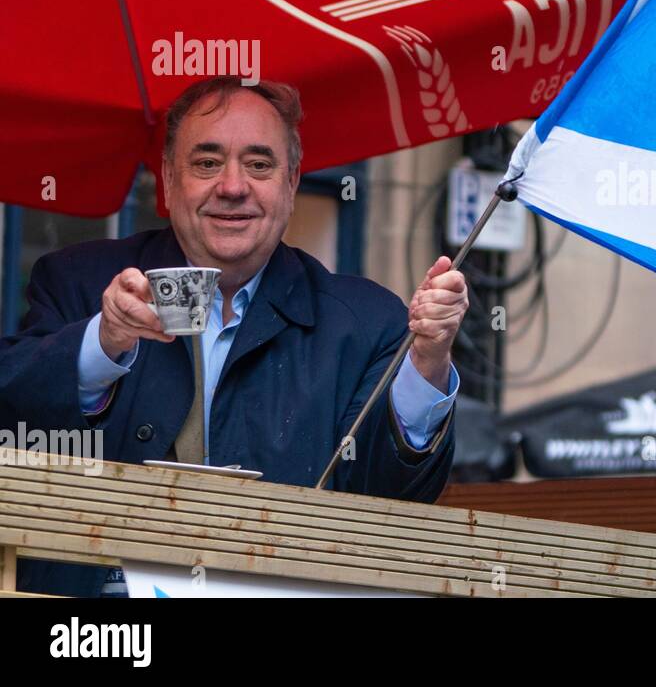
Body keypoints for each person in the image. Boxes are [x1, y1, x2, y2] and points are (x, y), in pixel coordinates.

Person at [0, 77, 469, 597]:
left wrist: (427, 361)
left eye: (259, 164)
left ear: (291, 185)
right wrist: (103, 343)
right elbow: (15, 428)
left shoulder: (367, 322)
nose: (232, 186)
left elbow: (392, 504)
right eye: (206, 162)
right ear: (168, 182)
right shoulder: (78, 283)